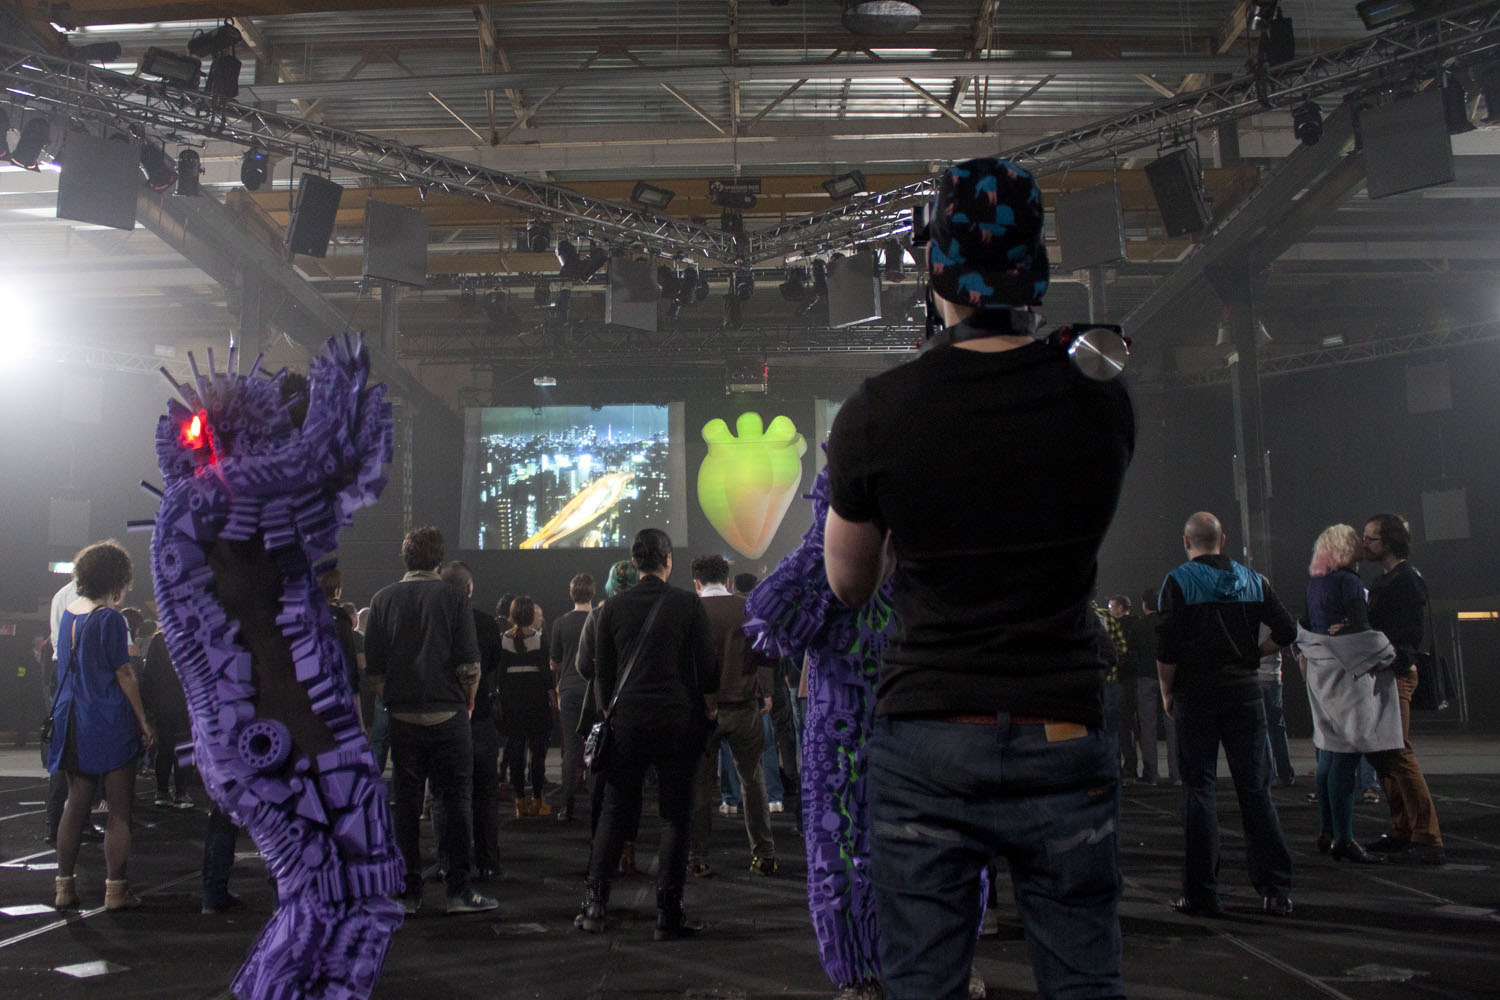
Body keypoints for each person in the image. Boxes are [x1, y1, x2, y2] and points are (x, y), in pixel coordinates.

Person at [823, 156, 1133, 1000]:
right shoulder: (1102, 400)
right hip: (1061, 721)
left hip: (929, 726)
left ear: (936, 270)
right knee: (1085, 980)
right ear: (1037, 267)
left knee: (923, 983)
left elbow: (847, 584)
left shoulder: (878, 411)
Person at [575, 528, 717, 941]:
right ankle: (668, 913)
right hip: (677, 720)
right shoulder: (687, 604)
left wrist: (610, 711)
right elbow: (707, 669)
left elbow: (602, 672)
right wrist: (705, 706)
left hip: (628, 722)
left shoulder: (612, 608)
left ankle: (595, 904)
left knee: (615, 809)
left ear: (635, 562)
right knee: (675, 815)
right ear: (668, 560)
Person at [1156, 511, 1297, 918]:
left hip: (1196, 694)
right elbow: (1287, 630)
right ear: (1224, 538)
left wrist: (1167, 691)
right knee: (1255, 790)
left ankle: (1201, 893)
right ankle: (1275, 889)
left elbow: (1167, 648)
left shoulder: (1177, 582)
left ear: (1187, 542)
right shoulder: (1253, 581)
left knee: (1199, 790)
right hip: (1244, 693)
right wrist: (1254, 653)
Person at [364, 525, 497, 916]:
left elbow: (375, 668)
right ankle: (458, 891)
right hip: (448, 714)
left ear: (405, 558)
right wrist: (468, 702)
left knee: (405, 806)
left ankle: (408, 893)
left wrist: (391, 700)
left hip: (403, 715)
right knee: (455, 803)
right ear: (439, 560)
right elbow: (469, 662)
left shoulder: (382, 599)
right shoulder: (453, 598)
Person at [48, 540, 155, 911]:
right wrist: (143, 721)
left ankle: (64, 887)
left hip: (72, 719)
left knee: (74, 804)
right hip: (107, 719)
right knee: (119, 810)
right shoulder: (110, 619)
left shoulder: (69, 615)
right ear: (116, 578)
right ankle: (116, 890)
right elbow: (123, 673)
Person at [1294, 524, 1400, 864]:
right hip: (1347, 673)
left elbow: (1306, 624)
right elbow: (1362, 629)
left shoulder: (1315, 584)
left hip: (1321, 673)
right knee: (1347, 753)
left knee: (1327, 753)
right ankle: (1344, 837)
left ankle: (1327, 831)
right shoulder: (1349, 582)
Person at [1360, 513, 1446, 864]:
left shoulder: (1407, 579)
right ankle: (1402, 829)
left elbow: (1411, 634)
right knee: (1383, 754)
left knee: (1398, 752)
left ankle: (1427, 837)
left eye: (1371, 538)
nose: (1365, 544)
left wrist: (1376, 643)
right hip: (1384, 672)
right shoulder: (1385, 580)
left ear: (1390, 542)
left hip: (1396, 673)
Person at [688, 553, 777, 878]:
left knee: (699, 785)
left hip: (701, 712)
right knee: (753, 780)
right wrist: (764, 690)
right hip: (744, 706)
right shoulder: (747, 608)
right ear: (727, 580)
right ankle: (764, 854)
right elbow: (768, 654)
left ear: (696, 582)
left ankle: (698, 857)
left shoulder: (690, 611)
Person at [433, 560, 503, 881]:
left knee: (444, 794)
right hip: (480, 718)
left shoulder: (431, 623)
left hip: (443, 715)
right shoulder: (486, 624)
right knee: (485, 793)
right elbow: (493, 666)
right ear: (470, 589)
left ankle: (448, 862)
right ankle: (488, 861)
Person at [499, 595, 552, 817]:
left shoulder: (503, 639)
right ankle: (538, 800)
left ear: (512, 616)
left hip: (512, 701)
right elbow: (547, 675)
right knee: (537, 753)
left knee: (515, 750)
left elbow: (499, 675)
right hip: (536, 700)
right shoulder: (539, 639)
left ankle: (519, 800)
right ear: (531, 615)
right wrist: (552, 699)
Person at [551, 573, 596, 823]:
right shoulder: (598, 619)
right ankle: (597, 804)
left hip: (568, 691)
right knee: (595, 747)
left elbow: (554, 662)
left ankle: (566, 806)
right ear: (593, 593)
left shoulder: (561, 623)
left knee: (570, 749)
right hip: (594, 691)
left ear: (571, 594)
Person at [141, 629, 193, 809]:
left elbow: (149, 674)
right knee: (185, 746)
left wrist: (148, 704)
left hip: (163, 703)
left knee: (164, 745)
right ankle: (181, 792)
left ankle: (162, 790)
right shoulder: (194, 637)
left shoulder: (160, 639)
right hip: (187, 702)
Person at [1132, 588, 1177, 785]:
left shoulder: (1139, 625)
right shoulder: (1170, 623)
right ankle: (1177, 773)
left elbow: (1131, 649)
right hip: (1169, 677)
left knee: (1147, 726)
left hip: (1145, 677)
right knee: (1172, 725)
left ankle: (1151, 774)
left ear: (1144, 604)